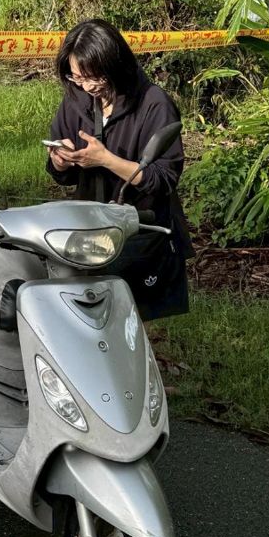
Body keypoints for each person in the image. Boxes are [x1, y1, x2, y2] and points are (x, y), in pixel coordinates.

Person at [46, 18, 190, 318]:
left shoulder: (154, 104)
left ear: (114, 65)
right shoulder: (76, 100)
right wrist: (60, 160)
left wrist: (106, 159)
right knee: (90, 314)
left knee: (136, 319)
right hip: (91, 229)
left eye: (92, 77)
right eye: (76, 77)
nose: (86, 86)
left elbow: (164, 179)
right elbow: (64, 174)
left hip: (142, 228)